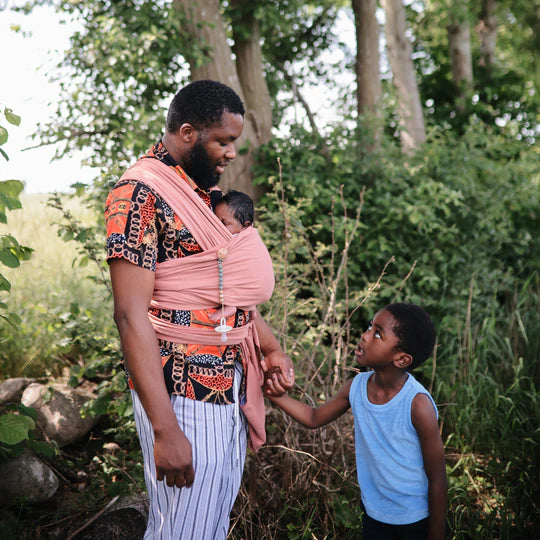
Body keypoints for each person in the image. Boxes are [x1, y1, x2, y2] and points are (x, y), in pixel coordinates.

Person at [105, 79, 294, 540]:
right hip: (181, 390)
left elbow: (218, 291)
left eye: (234, 143)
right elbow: (130, 316)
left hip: (226, 380)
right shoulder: (139, 194)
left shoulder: (200, 193)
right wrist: (166, 429)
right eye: (223, 142)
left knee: (210, 522)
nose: (231, 154)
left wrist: (268, 347)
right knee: (180, 529)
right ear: (188, 133)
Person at [267, 303, 447, 539]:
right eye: (370, 326)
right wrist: (274, 395)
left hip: (415, 520)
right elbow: (313, 417)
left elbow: (438, 479)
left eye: (378, 333)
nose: (365, 335)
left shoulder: (417, 404)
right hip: (374, 515)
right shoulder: (356, 387)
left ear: (402, 359)